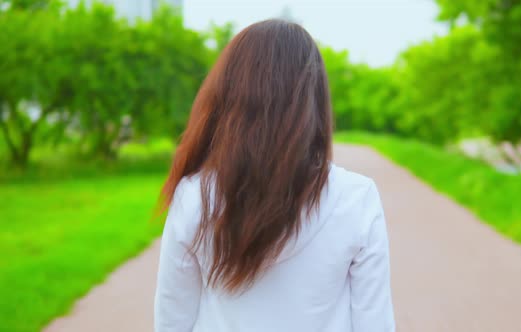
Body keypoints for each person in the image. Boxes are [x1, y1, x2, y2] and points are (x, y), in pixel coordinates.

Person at [154, 19, 395, 332]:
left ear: (229, 95)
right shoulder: (356, 197)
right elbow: (374, 324)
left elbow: (172, 320)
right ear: (314, 98)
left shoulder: (194, 195)